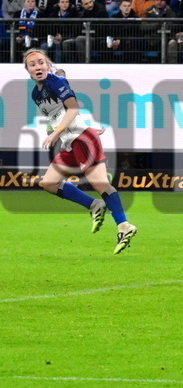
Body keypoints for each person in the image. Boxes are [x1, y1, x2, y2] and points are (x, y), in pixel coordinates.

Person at [23, 49, 137, 254]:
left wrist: (57, 133)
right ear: (28, 70)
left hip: (82, 141)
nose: (37, 67)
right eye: (32, 64)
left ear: (48, 65)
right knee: (48, 183)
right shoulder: (35, 94)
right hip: (71, 142)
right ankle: (95, 205)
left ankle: (124, 226)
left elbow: (73, 109)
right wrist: (81, 128)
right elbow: (62, 116)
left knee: (101, 184)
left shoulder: (57, 82)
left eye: (41, 62)